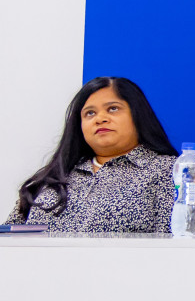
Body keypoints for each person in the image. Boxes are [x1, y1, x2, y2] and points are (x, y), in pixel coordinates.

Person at [7, 77, 178, 233]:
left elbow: (174, 246)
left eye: (113, 109)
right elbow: (8, 239)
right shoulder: (53, 176)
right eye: (90, 113)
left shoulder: (167, 171)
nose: (100, 118)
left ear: (138, 115)